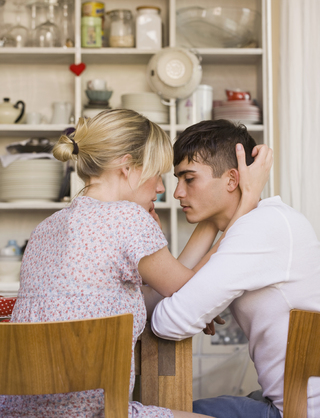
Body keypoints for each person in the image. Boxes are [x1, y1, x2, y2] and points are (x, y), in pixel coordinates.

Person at [0, 110, 270, 418]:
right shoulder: (128, 218)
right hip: (94, 412)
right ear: (127, 167)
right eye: (156, 174)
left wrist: (212, 217)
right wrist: (245, 202)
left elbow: (170, 287)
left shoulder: (46, 227)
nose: (160, 188)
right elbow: (190, 290)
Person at [151, 119, 320, 418]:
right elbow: (172, 288)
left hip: (298, 410)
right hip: (294, 402)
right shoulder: (267, 220)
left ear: (232, 180)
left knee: (165, 412)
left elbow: (167, 322)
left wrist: (191, 302)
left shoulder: (260, 228)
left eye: (189, 179)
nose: (177, 192)